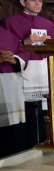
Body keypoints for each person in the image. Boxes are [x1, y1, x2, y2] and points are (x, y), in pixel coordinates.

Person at [0, 0, 54, 110]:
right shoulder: (9, 22)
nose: (38, 4)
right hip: (21, 68)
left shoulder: (48, 24)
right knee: (26, 109)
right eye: (33, 0)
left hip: (43, 69)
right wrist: (25, 42)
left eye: (40, 1)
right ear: (23, 2)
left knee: (44, 109)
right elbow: (6, 46)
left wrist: (50, 43)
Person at [0, 28, 27, 158]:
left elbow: (22, 55)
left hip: (10, 83)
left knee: (13, 129)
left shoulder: (8, 34)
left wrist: (13, 60)